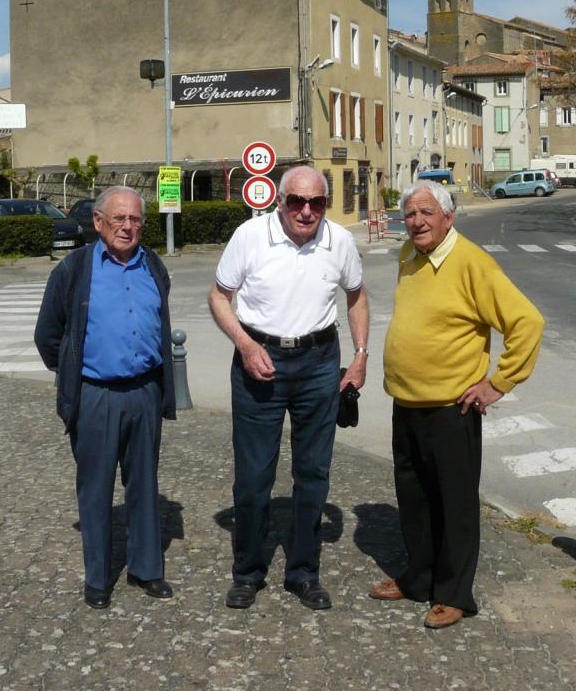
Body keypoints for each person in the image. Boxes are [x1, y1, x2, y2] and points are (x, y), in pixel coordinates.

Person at [370, 179, 544, 629]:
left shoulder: (471, 262)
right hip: (406, 402)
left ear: (449, 217)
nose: (417, 221)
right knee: (415, 501)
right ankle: (418, 579)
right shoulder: (410, 256)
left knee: (455, 505)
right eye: (410, 214)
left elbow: (527, 322)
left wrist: (498, 383)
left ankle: (454, 594)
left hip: (452, 408)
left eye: (427, 213)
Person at [207, 165, 369, 612]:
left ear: (325, 205)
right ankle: (248, 572)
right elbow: (219, 296)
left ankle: (303, 573)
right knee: (254, 476)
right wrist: (244, 344)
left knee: (314, 475)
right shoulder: (250, 236)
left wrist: (360, 355)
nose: (305, 211)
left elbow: (356, 296)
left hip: (319, 363)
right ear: (279, 201)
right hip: (260, 361)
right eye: (296, 201)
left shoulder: (340, 241)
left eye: (316, 202)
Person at [34, 185, 177, 610]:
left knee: (144, 483)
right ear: (98, 222)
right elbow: (48, 336)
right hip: (95, 395)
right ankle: (98, 577)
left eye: (135, 219)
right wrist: (76, 373)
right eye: (119, 219)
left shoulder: (153, 264)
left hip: (145, 391)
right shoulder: (75, 270)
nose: (128, 227)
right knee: (95, 488)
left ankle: (145, 568)